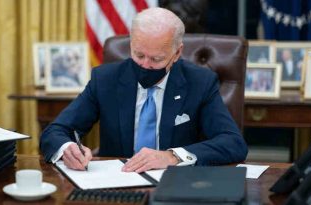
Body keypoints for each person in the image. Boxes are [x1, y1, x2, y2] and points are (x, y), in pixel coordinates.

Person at [40, 8, 248, 173]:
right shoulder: (105, 79)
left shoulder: (200, 82)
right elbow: (55, 131)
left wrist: (172, 156)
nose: (145, 65)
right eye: (139, 55)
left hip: (175, 185)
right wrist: (67, 149)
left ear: (177, 53)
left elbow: (233, 143)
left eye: (156, 59)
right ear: (131, 44)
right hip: (116, 185)